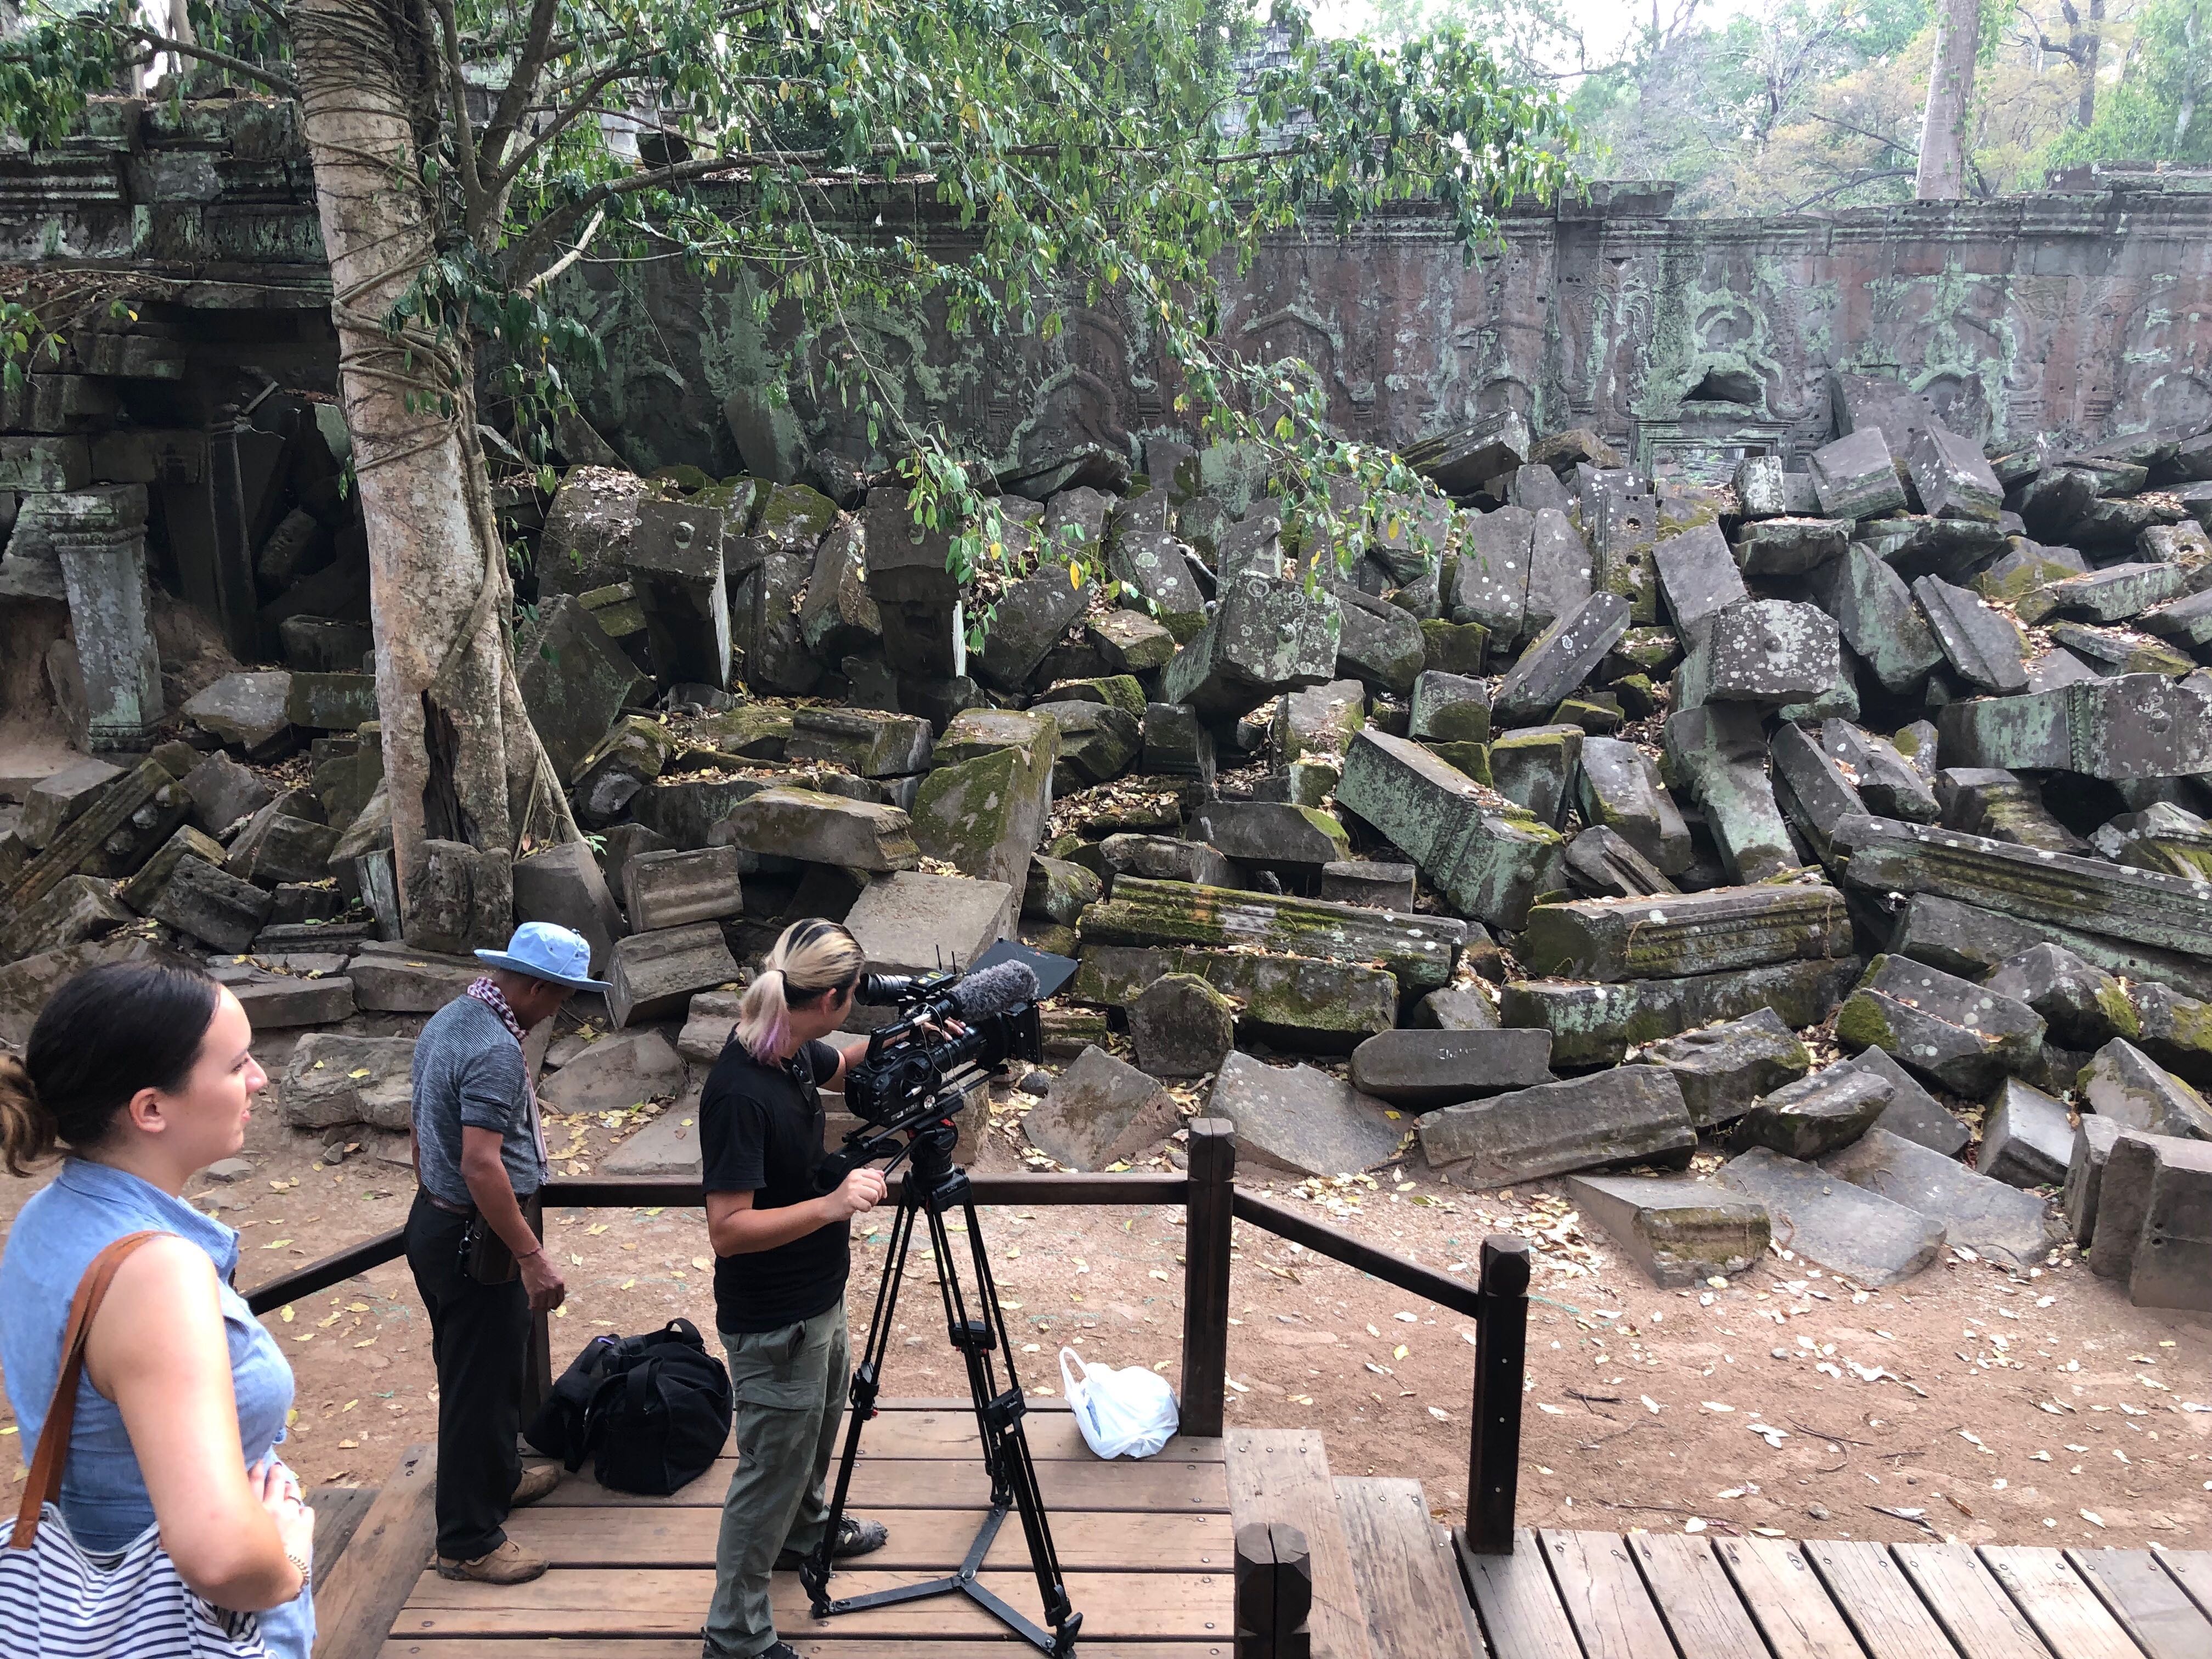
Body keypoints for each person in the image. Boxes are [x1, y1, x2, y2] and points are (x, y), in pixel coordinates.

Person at [0, 962, 317, 1656]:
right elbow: (220, 1560)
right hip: (187, 1626)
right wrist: (289, 1565)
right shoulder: (155, 1274)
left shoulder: (49, 1218)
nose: (259, 1080)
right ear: (151, 1109)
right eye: (236, 1066)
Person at [700, 917, 895, 1659]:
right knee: (770, 1466)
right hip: (772, 1319)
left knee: (817, 1430)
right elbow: (727, 1228)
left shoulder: (784, 1044)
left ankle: (804, 1535)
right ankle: (736, 1634)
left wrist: (919, 1034)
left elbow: (843, 1063)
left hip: (818, 1295)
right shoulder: (740, 1091)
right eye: (854, 996)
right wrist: (833, 1204)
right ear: (832, 996)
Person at [405, 920, 603, 1585]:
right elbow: (483, 1164)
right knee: (477, 1387)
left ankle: (499, 1477)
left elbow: (420, 1124)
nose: (561, 1009)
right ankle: (468, 1540)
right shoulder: (493, 1048)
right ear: (534, 986)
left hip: (435, 1221)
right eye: (560, 995)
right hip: (475, 1236)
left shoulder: (451, 1018)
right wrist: (529, 1255)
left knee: (481, 1373)